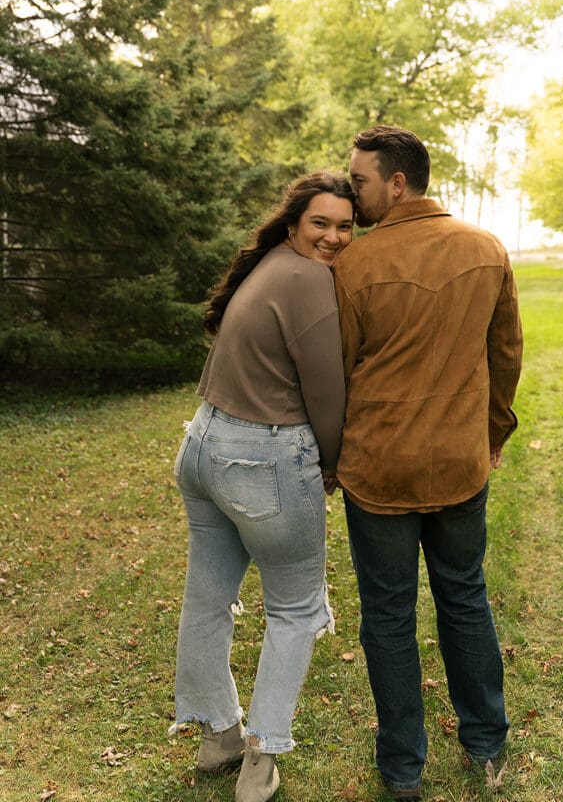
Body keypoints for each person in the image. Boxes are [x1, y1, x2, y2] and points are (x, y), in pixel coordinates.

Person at [332, 126, 523, 802]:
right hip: (456, 463)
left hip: (378, 466)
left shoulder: (352, 265)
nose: (350, 193)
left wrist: (333, 458)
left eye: (357, 180)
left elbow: (339, 371)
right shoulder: (485, 249)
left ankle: (402, 769)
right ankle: (486, 743)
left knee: (387, 615)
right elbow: (505, 356)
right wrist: (491, 431)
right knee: (464, 597)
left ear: (397, 182)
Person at [171, 172, 355, 802]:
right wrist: (331, 463)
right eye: (320, 224)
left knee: (207, 599)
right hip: (265, 458)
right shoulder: (309, 280)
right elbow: (327, 392)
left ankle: (218, 734)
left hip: (201, 445)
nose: (333, 237)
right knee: (296, 609)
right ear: (294, 222)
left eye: (345, 226)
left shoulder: (269, 263)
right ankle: (261, 756)